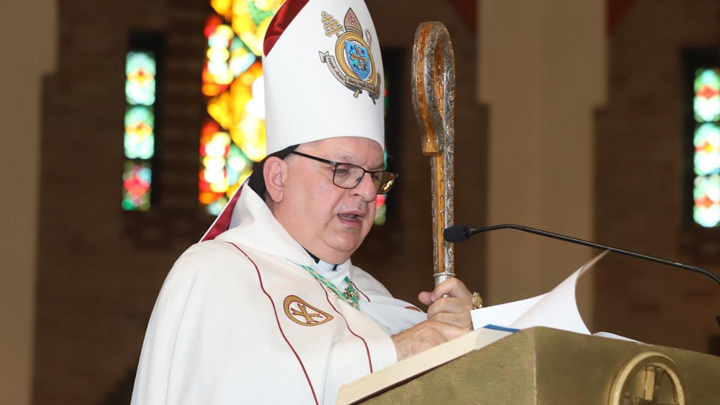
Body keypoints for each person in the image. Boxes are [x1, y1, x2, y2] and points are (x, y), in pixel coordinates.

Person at [131, 0, 473, 403]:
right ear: (278, 178)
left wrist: (463, 337)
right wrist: (400, 351)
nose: (367, 192)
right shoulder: (213, 273)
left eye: (374, 175)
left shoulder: (371, 295)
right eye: (342, 169)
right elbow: (247, 389)